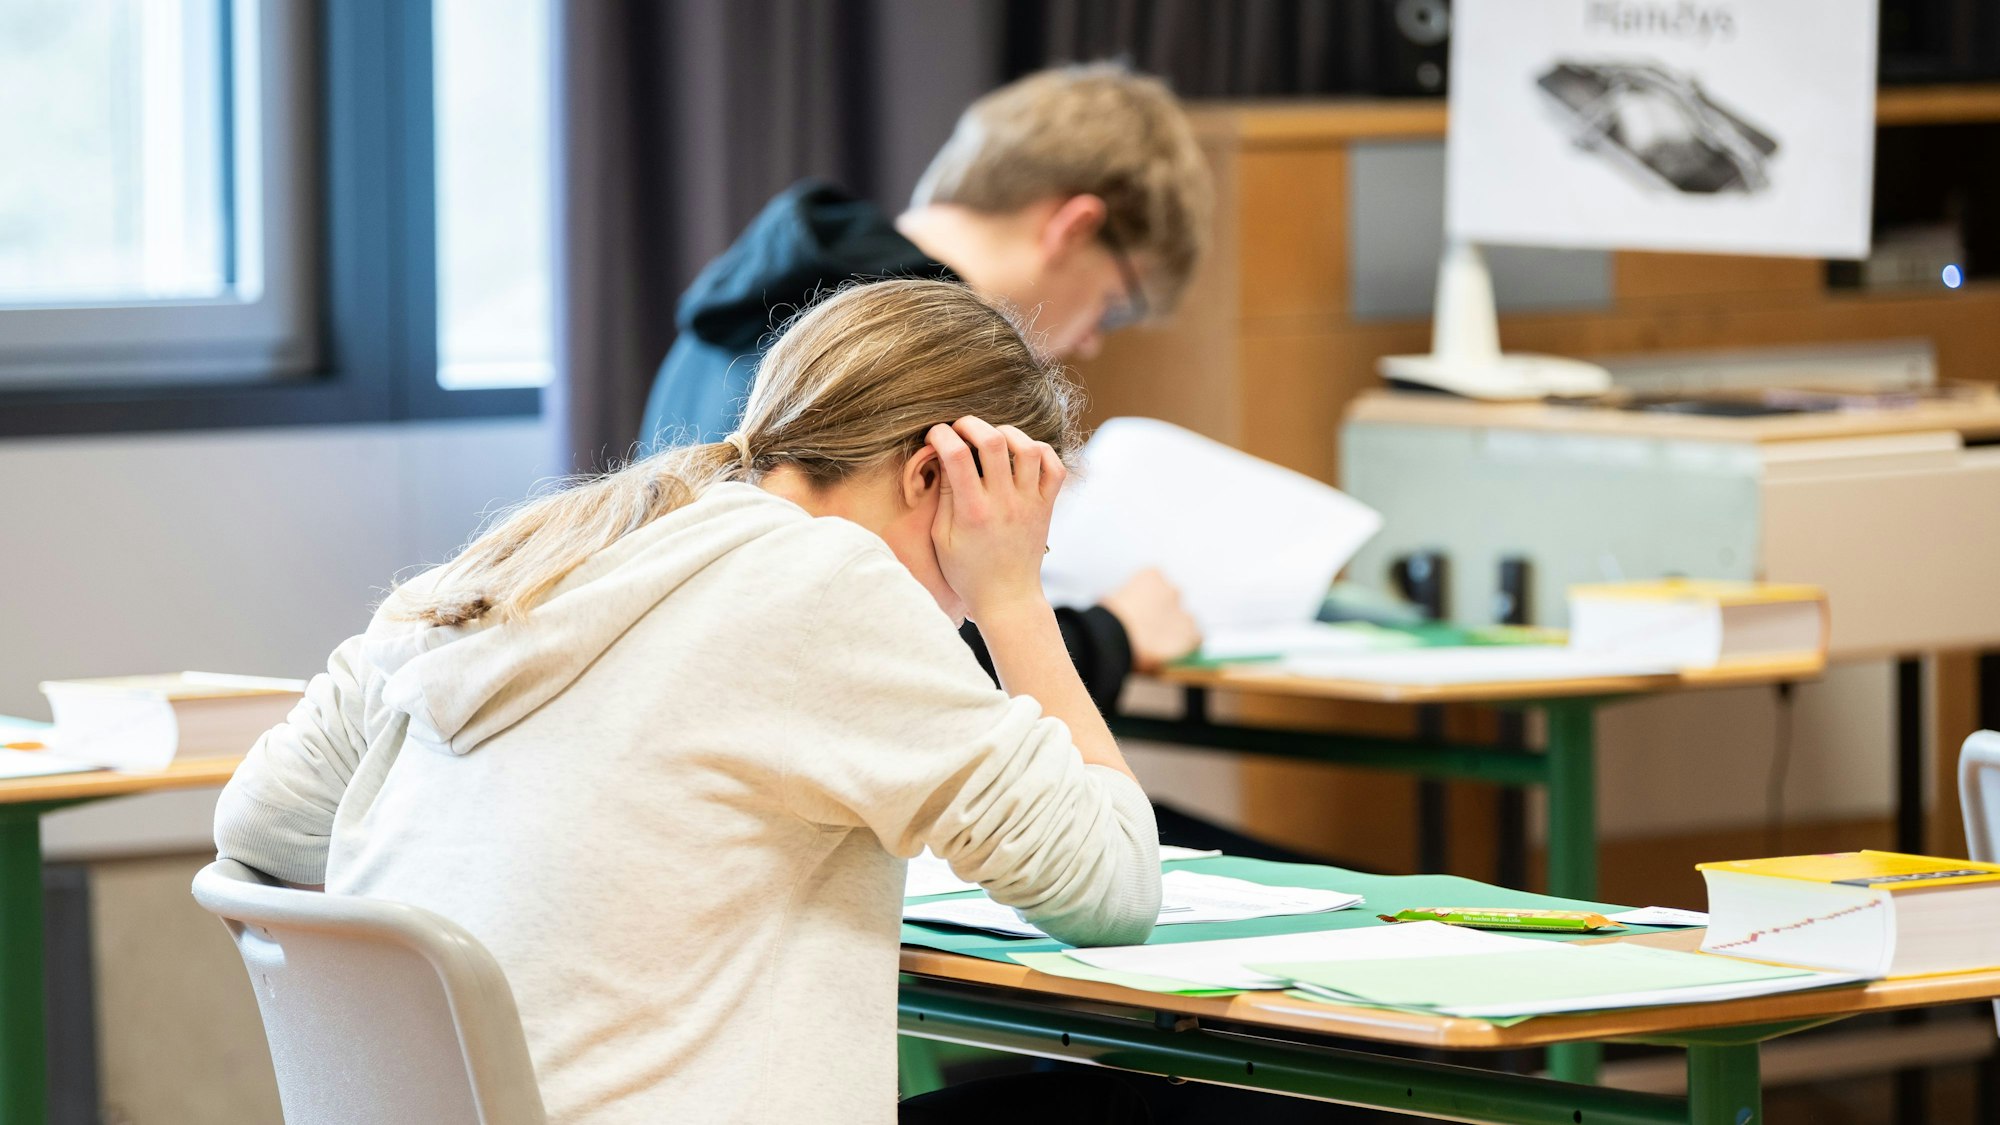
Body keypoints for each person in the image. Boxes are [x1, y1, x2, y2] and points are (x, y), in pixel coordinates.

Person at [214, 281, 1158, 1123]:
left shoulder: (528, 555)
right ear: (936, 478)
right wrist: (1010, 594)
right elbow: (1110, 887)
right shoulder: (825, 583)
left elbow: (262, 823)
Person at [639, 64, 1304, 862]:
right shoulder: (924, 361)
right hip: (814, 814)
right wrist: (1115, 634)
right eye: (1115, 303)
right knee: (1249, 870)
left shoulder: (737, 310)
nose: (1093, 339)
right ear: (1073, 227)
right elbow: (913, 672)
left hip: (723, 791)